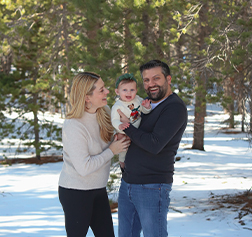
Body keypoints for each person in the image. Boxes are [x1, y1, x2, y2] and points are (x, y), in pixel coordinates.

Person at [117, 60, 188, 237]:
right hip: (128, 183)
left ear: (168, 79)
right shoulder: (145, 104)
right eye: (146, 80)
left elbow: (154, 144)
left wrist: (128, 127)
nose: (151, 84)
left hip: (152, 186)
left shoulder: (174, 108)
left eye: (156, 78)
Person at [58, 72, 130, 237]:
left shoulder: (103, 112)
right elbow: (84, 167)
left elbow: (108, 141)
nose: (107, 92)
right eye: (101, 90)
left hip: (98, 189)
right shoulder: (74, 125)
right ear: (87, 97)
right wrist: (112, 150)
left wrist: (118, 137)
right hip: (75, 192)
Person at [111, 73, 151, 169]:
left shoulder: (137, 99)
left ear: (136, 91)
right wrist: (119, 125)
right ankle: (123, 166)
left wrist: (147, 107)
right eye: (124, 90)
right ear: (117, 91)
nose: (129, 93)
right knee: (123, 149)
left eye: (132, 90)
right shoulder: (118, 106)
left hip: (137, 131)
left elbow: (144, 111)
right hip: (124, 132)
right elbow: (114, 120)